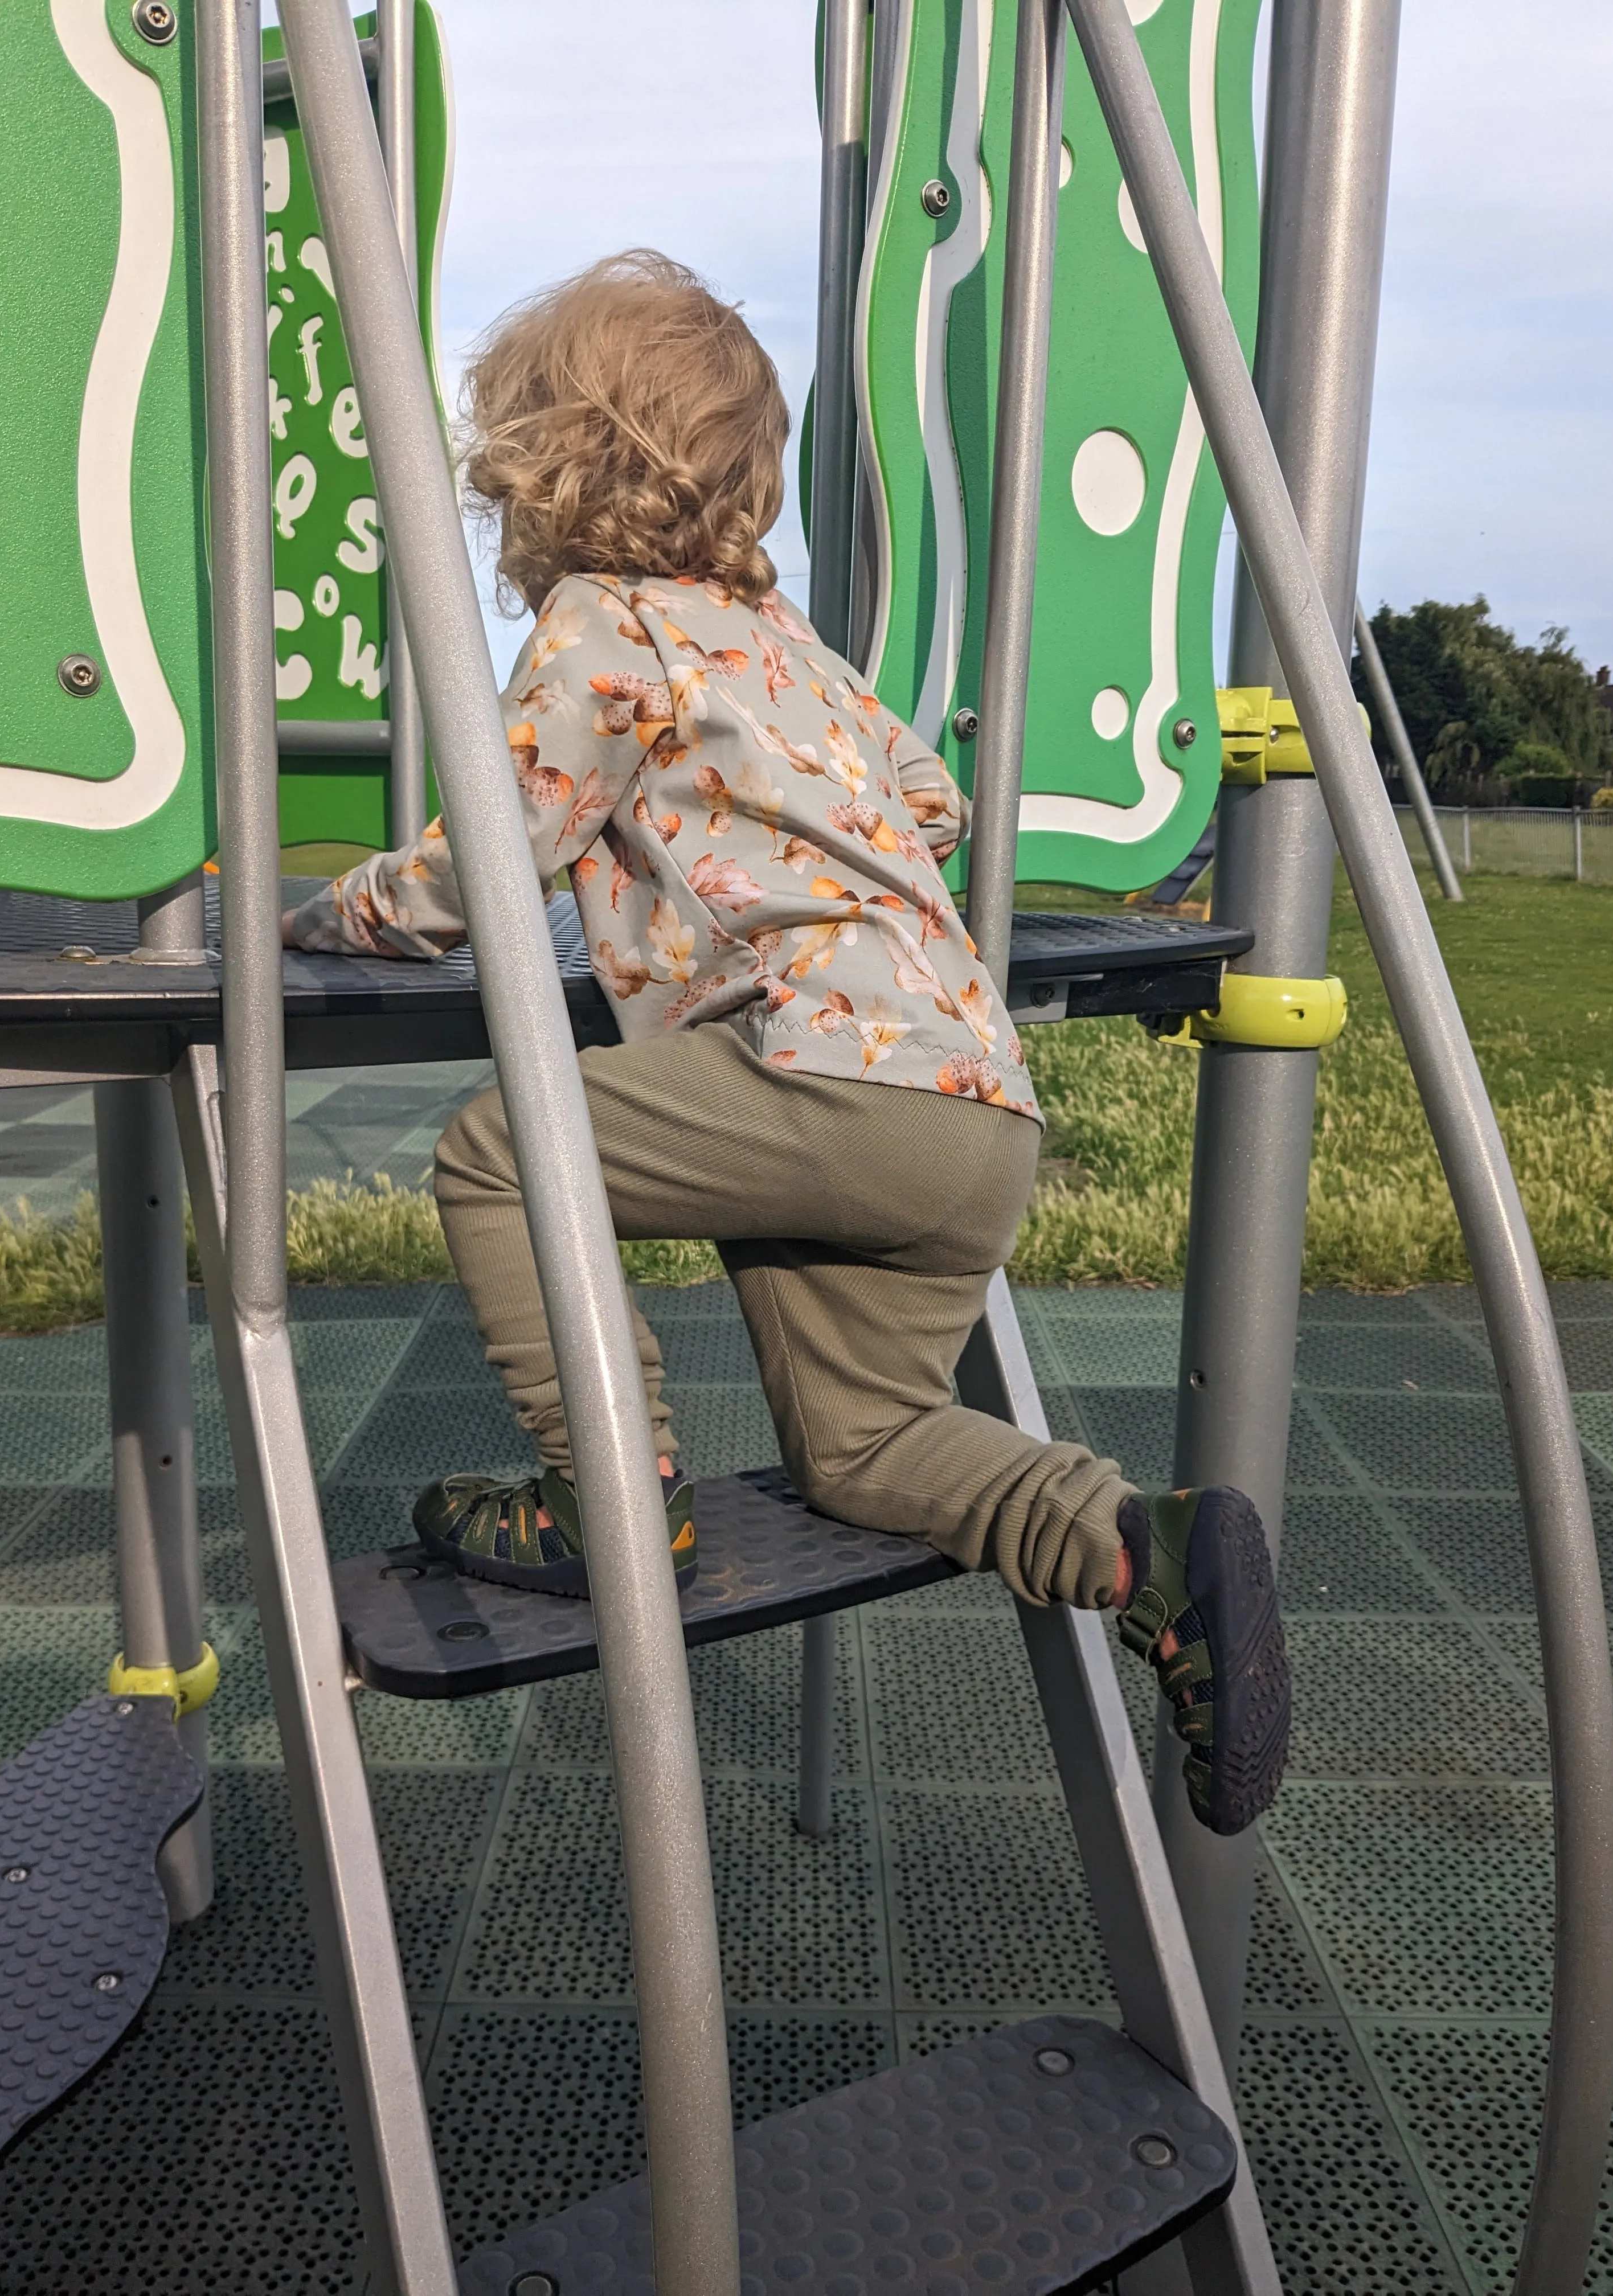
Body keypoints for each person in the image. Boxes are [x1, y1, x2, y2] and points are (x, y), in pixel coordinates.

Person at [284, 251, 1288, 1835]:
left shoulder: (605, 629)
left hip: (822, 1078)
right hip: (973, 1115)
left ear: (541, 469)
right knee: (869, 1445)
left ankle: (610, 1500)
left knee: (498, 1150)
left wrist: (329, 912)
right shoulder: (785, 645)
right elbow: (933, 803)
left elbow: (492, 852)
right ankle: (1139, 1549)